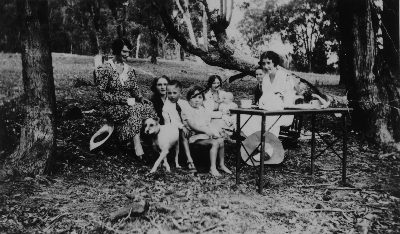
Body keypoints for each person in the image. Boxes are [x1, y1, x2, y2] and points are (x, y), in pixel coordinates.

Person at [241, 51, 330, 137]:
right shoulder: (265, 79)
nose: (266, 66)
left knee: (263, 124)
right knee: (243, 118)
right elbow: (264, 98)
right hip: (267, 111)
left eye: (269, 63)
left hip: (283, 112)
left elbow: (288, 100)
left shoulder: (285, 77)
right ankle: (260, 147)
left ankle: (266, 148)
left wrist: (273, 102)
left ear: (275, 63)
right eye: (263, 64)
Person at [95, 38, 157, 159]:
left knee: (148, 107)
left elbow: (134, 88)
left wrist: (140, 97)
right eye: (124, 51)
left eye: (128, 52)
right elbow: (101, 94)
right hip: (112, 105)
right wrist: (119, 99)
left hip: (129, 102)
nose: (127, 54)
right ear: (116, 50)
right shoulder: (105, 69)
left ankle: (151, 142)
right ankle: (137, 147)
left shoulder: (129, 70)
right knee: (134, 110)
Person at [181, 85, 232, 177]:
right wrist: (205, 130)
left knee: (220, 140)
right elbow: (192, 126)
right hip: (195, 136)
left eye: (199, 97)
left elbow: (208, 122)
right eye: (194, 97)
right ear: (189, 99)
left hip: (204, 135)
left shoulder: (202, 109)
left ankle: (221, 164)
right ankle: (212, 168)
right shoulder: (188, 110)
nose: (197, 100)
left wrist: (216, 130)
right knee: (214, 143)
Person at [162, 80, 196, 171]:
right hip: (171, 129)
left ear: (181, 92)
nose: (172, 95)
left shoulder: (184, 103)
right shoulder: (166, 106)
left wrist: (189, 126)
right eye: (169, 93)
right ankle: (190, 160)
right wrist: (182, 127)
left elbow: (189, 115)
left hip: (184, 127)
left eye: (174, 93)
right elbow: (171, 121)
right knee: (183, 134)